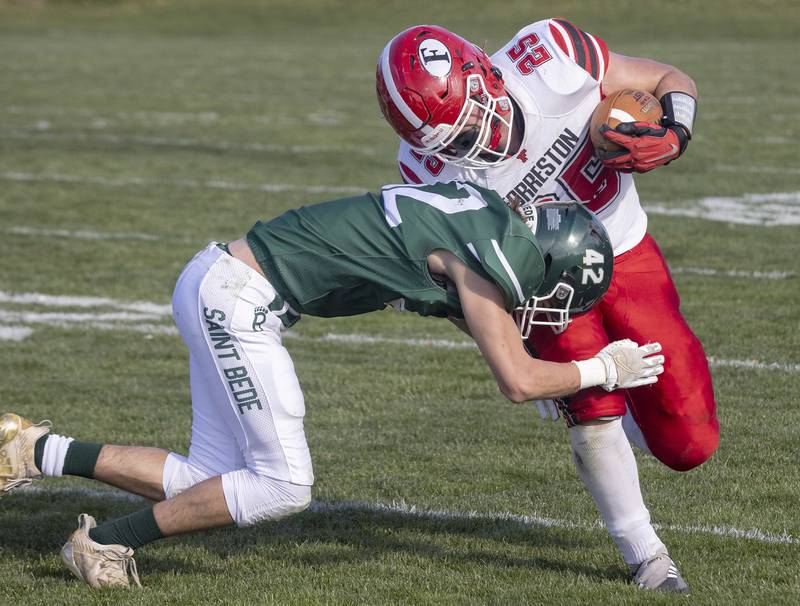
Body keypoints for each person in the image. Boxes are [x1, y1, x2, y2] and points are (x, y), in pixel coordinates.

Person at [0, 181, 664, 589]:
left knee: (210, 479)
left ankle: (29, 450)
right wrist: (603, 369)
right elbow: (516, 379)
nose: (550, 306)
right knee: (283, 484)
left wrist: (549, 375)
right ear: (551, 262)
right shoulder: (499, 258)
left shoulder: (483, 217)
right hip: (241, 297)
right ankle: (109, 542)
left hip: (219, 280)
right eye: (558, 293)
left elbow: (481, 328)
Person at [377, 21, 717, 594]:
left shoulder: (550, 56)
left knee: (689, 445)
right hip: (543, 288)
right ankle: (646, 555)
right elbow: (461, 280)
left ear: (485, 73)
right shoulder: (424, 171)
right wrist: (512, 342)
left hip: (626, 249)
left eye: (474, 121)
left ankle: (632, 414)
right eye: (452, 142)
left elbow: (665, 78)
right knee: (591, 407)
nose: (473, 146)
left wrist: (674, 130)